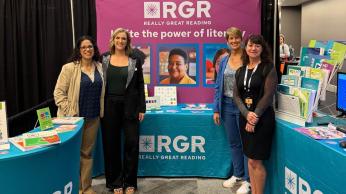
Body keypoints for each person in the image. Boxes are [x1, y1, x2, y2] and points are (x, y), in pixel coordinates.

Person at [54, 36, 105, 194]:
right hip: (72, 120)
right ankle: (73, 187)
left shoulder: (100, 67)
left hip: (93, 117)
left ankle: (86, 187)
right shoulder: (69, 68)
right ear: (79, 50)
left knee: (87, 154)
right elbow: (58, 93)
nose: (87, 50)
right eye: (83, 47)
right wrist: (70, 112)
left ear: (94, 49)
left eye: (90, 47)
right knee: (71, 154)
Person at [101, 28, 146, 194]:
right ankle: (115, 183)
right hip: (109, 106)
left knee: (132, 144)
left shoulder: (135, 59)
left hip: (131, 106)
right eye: (118, 38)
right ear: (113, 39)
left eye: (124, 39)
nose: (120, 41)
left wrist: (142, 107)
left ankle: (130, 183)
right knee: (111, 145)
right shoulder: (103, 58)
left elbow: (140, 84)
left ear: (128, 41)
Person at [233, 35, 278, 194]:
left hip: (262, 118)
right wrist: (246, 115)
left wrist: (254, 117)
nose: (253, 48)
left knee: (255, 161)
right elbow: (236, 96)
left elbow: (268, 95)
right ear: (246, 48)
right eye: (251, 45)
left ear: (262, 48)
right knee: (250, 160)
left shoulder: (268, 68)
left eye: (257, 46)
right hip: (245, 118)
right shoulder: (240, 70)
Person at [213, 27, 250, 194]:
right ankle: (238, 175)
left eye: (236, 38)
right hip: (227, 105)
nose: (234, 41)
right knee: (234, 143)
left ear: (241, 39)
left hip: (244, 106)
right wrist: (216, 109)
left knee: (247, 144)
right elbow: (217, 86)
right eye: (230, 39)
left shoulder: (248, 58)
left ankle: (248, 181)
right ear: (226, 41)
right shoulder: (224, 61)